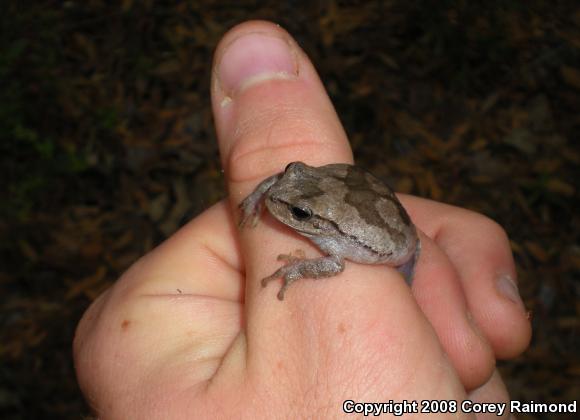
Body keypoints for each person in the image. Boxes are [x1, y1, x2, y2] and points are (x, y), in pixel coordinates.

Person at [73, 20, 531, 419]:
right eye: (288, 181)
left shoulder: (333, 244)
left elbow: (332, 265)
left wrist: (296, 266)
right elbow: (286, 183)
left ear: (319, 223)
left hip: (385, 243)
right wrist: (259, 193)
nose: (280, 199)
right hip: (355, 201)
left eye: (297, 214)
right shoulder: (293, 187)